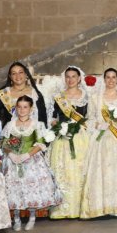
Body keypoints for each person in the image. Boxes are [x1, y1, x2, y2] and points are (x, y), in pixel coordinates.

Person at [1, 96, 62, 231]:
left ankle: (32, 217)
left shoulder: (37, 124)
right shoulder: (10, 125)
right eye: (19, 107)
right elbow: (4, 143)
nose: (22, 110)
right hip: (14, 161)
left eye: (25, 107)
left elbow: (40, 143)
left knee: (31, 189)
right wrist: (11, 154)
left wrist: (27, 155)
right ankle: (16, 218)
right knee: (14, 189)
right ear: (16, 108)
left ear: (30, 108)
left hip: (31, 160)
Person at [80, 68, 117, 219]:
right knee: (102, 171)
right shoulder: (96, 97)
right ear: (104, 79)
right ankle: (102, 206)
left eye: (113, 77)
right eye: (108, 77)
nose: (111, 80)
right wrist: (97, 125)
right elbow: (89, 118)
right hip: (101, 138)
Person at [48, 66, 90, 220]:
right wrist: (59, 127)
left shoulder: (86, 96)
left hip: (80, 138)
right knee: (63, 172)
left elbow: (89, 117)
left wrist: (80, 128)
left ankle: (79, 208)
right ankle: (62, 208)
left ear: (79, 78)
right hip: (62, 139)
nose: (71, 79)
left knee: (79, 171)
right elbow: (52, 118)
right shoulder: (58, 97)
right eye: (68, 77)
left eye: (74, 76)